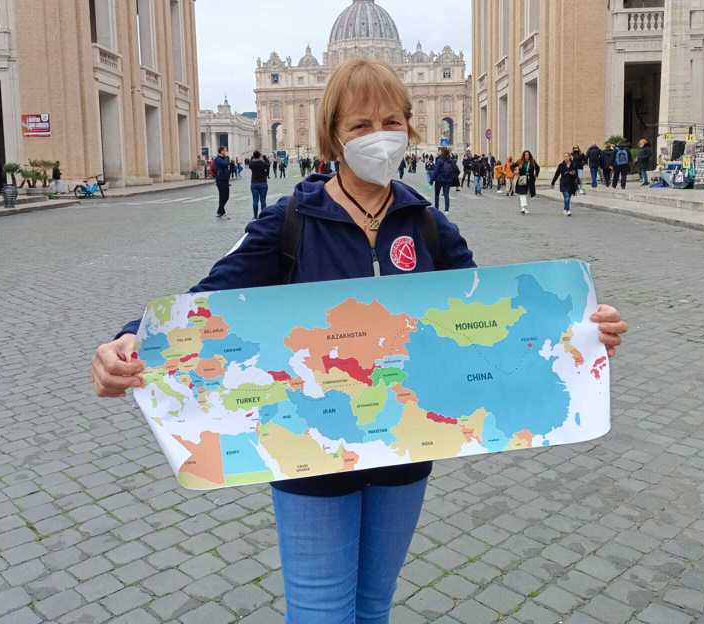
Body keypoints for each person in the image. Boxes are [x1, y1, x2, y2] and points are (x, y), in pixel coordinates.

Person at [91, 57, 628, 624]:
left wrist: (578, 331)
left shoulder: (427, 226)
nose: (379, 138)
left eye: (392, 122)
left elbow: (492, 321)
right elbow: (206, 301)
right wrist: (129, 339)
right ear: (333, 136)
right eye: (361, 126)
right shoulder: (290, 221)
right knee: (322, 612)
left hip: (404, 454)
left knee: (373, 607)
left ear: (411, 129)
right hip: (309, 454)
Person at [551, 152, 580, 216]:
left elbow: (576, 175)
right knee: (566, 196)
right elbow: (556, 174)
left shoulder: (574, 164)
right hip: (563, 183)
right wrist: (553, 182)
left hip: (571, 184)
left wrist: (573, 173)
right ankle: (568, 210)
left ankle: (565, 209)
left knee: (568, 198)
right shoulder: (561, 165)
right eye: (564, 156)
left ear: (570, 157)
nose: (565, 158)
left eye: (567, 156)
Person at [431, 147, 457, 212]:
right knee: (446, 195)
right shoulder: (451, 161)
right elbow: (456, 170)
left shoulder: (439, 160)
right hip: (447, 181)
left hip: (439, 180)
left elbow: (435, 171)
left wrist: (431, 180)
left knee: (437, 194)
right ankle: (446, 210)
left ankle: (436, 208)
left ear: (442, 153)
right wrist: (451, 178)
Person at [515, 150, 539, 215]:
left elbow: (538, 168)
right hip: (522, 179)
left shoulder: (532, 161)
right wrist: (516, 171)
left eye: (527, 155)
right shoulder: (520, 161)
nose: (526, 156)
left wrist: (536, 175)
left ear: (529, 155)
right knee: (522, 193)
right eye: (525, 155)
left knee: (527, 194)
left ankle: (524, 207)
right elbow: (512, 166)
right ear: (523, 155)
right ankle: (523, 208)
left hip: (530, 179)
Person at [248, 150, 270, 219]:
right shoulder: (263, 163)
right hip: (263, 183)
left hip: (254, 184)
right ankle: (263, 216)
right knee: (263, 201)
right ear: (260, 156)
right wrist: (265, 158)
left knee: (255, 201)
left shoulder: (252, 164)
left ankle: (255, 216)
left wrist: (253, 157)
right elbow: (268, 164)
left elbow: (250, 162)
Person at [213, 147, 232, 218]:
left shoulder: (223, 158)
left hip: (225, 180)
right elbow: (225, 164)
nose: (226, 152)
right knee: (223, 196)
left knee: (226, 196)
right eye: (225, 150)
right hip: (221, 180)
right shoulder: (218, 159)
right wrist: (227, 158)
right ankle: (220, 211)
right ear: (221, 151)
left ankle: (220, 211)